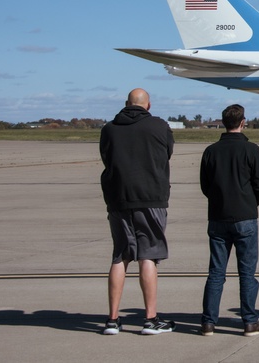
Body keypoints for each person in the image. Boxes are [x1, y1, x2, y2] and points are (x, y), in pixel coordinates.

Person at [98, 88, 175, 335]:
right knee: (148, 255)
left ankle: (112, 319)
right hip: (151, 197)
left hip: (119, 198)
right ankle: (150, 319)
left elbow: (105, 158)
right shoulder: (159, 126)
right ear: (148, 106)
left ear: (125, 104)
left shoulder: (109, 129)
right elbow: (167, 154)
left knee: (120, 256)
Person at [199, 104, 259, 336]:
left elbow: (205, 186)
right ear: (242, 122)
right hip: (245, 216)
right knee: (247, 273)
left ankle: (209, 321)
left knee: (216, 272)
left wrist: (220, 200)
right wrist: (250, 202)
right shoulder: (251, 149)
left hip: (218, 216)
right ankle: (249, 320)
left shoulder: (211, 151)